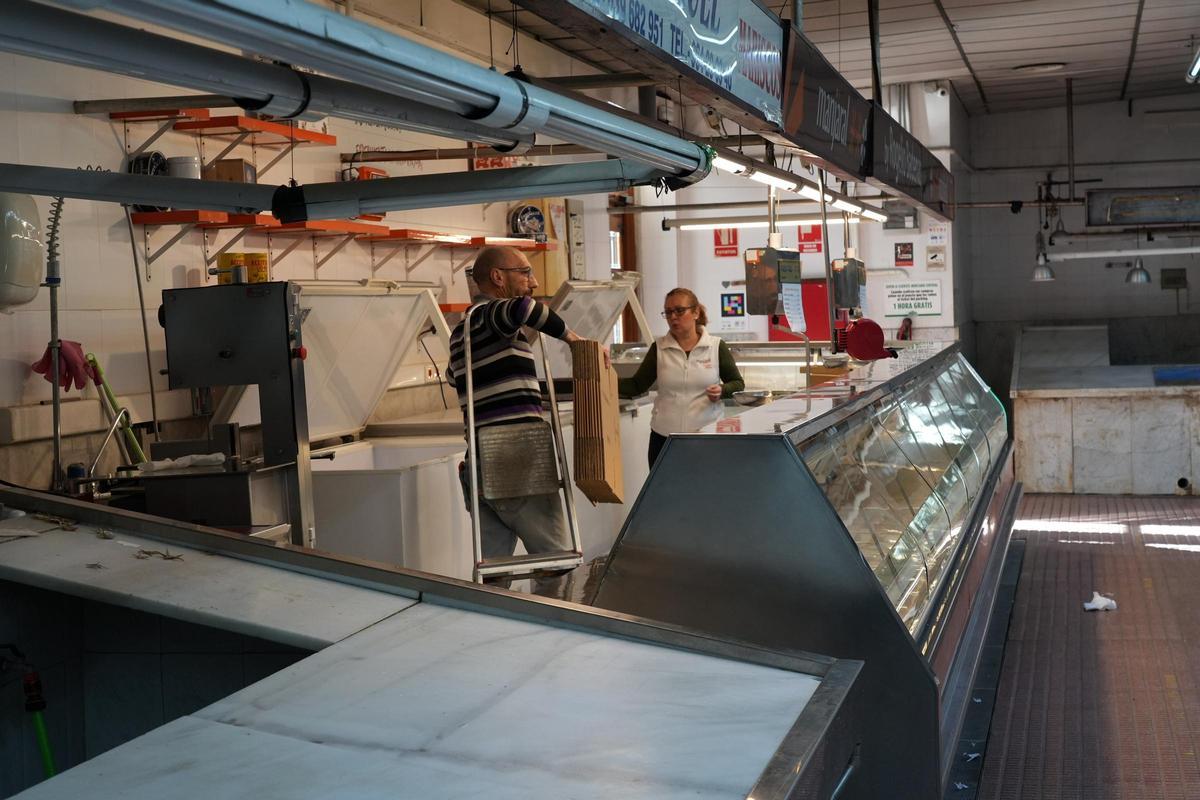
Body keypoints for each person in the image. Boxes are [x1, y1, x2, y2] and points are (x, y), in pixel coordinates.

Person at [445, 246, 591, 580]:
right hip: (517, 459)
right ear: (497, 277)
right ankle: (564, 630)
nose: (533, 281)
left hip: (480, 463)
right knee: (558, 567)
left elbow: (452, 376)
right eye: (525, 272)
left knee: (494, 575)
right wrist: (573, 339)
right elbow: (525, 309)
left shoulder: (461, 332)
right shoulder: (489, 314)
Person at [619, 288, 744, 467]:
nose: (673, 317)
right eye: (668, 312)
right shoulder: (659, 348)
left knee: (706, 492)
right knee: (664, 493)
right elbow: (637, 385)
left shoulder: (715, 346)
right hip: (664, 440)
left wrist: (722, 390)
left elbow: (738, 384)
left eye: (679, 310)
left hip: (707, 437)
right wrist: (600, 382)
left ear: (695, 312)